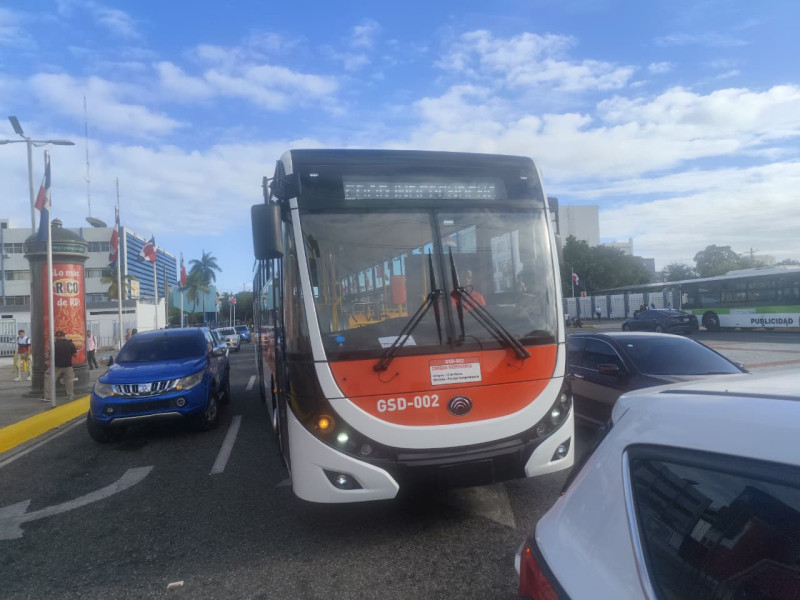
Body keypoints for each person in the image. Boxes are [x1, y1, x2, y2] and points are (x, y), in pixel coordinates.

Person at [42, 330, 77, 403]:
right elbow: (75, 355)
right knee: (69, 381)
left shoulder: (54, 344)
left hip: (56, 366)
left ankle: (48, 396)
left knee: (49, 379)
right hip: (68, 366)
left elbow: (49, 356)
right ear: (64, 336)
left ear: (57, 336)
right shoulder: (70, 344)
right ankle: (70, 396)